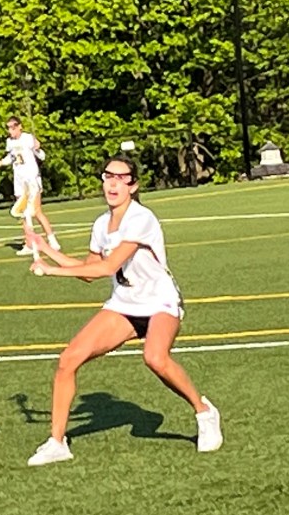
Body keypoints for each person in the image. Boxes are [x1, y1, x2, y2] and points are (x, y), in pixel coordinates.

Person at [24, 155, 222, 465]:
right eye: (108, 177)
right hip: (124, 304)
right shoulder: (101, 224)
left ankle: (204, 411)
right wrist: (47, 249)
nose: (113, 184)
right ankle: (57, 442)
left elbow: (107, 267)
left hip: (159, 301)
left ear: (133, 185)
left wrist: (50, 270)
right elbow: (88, 271)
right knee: (68, 360)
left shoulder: (141, 219)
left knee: (155, 358)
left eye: (121, 178)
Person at [0, 116, 60, 254]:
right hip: (19, 181)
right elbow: (9, 159)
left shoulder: (28, 138)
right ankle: (29, 244)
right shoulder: (9, 142)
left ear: (19, 126)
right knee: (23, 214)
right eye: (8, 128)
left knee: (36, 212)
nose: (10, 131)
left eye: (13, 127)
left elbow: (42, 156)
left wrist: (38, 148)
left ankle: (52, 240)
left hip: (31, 179)